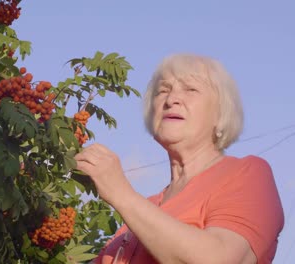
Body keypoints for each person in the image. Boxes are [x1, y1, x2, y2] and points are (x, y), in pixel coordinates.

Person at [74, 53, 284, 264]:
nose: (171, 100)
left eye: (191, 89)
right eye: (163, 90)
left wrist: (121, 194)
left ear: (221, 112)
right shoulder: (138, 218)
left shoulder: (247, 174)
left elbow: (220, 259)